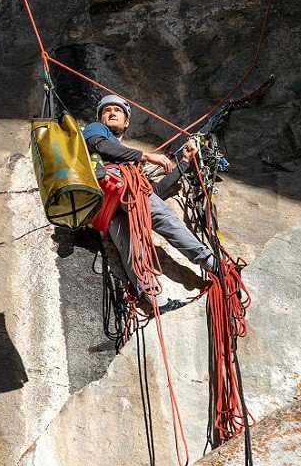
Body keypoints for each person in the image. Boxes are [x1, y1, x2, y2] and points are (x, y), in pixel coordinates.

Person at [83, 94, 216, 311]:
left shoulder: (129, 162)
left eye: (118, 110)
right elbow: (99, 146)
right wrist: (145, 156)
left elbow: (155, 192)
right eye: (107, 110)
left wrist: (183, 163)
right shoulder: (97, 130)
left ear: (126, 122)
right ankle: (208, 260)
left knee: (132, 249)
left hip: (110, 206)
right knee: (160, 222)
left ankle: (155, 299)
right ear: (100, 118)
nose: (112, 112)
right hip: (117, 190)